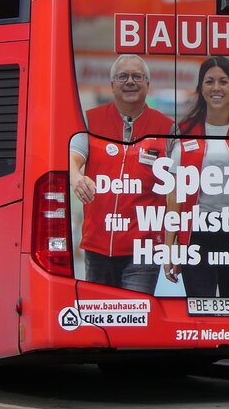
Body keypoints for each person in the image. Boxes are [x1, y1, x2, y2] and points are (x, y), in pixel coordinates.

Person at [163, 56, 229, 298]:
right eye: (209, 82)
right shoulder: (185, 131)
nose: (216, 88)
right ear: (201, 89)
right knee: (200, 310)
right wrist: (171, 244)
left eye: (223, 81)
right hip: (197, 235)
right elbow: (175, 190)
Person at [69, 55, 172, 294]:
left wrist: (171, 244)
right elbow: (74, 157)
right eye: (123, 76)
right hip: (97, 245)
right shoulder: (91, 120)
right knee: (100, 318)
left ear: (148, 84)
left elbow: (179, 187)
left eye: (137, 76)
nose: (130, 82)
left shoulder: (167, 128)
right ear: (112, 84)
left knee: (135, 319)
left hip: (144, 249)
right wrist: (77, 177)